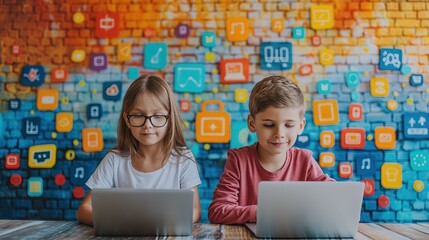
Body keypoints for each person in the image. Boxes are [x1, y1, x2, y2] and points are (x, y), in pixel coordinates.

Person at [208, 75, 335, 224]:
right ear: (252, 123)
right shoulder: (239, 160)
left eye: (289, 125)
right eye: (269, 125)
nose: (279, 134)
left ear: (300, 126)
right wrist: (260, 213)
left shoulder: (305, 160)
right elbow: (217, 211)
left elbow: (333, 196)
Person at [77, 74, 201, 225]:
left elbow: (194, 210)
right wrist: (122, 223)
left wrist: (162, 222)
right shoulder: (114, 160)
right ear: (126, 120)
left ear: (170, 119)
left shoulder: (183, 159)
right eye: (137, 115)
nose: (148, 124)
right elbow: (84, 210)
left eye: (157, 116)